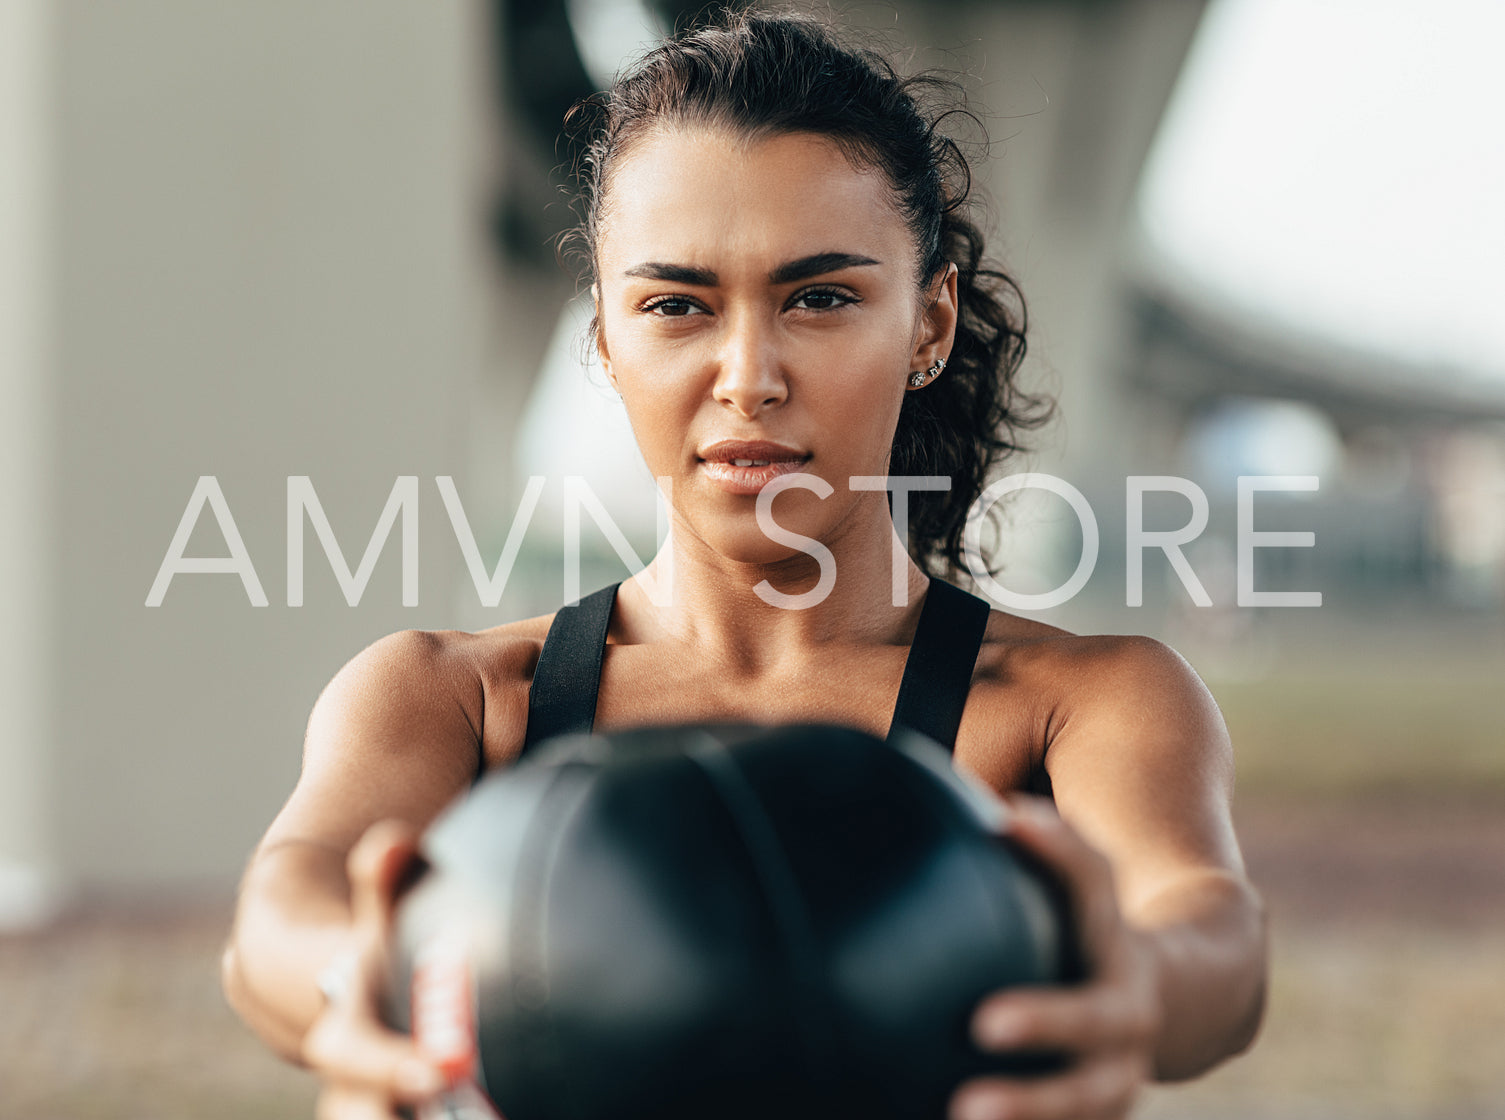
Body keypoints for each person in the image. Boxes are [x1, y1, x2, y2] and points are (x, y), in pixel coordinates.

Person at [221, 10, 1267, 1120]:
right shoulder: (457, 698)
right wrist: (368, 984)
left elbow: (1209, 929)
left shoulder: (1078, 704)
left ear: (928, 323)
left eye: (819, 297)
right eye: (676, 305)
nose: (747, 375)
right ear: (605, 340)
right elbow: (278, 916)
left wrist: (1133, 982)